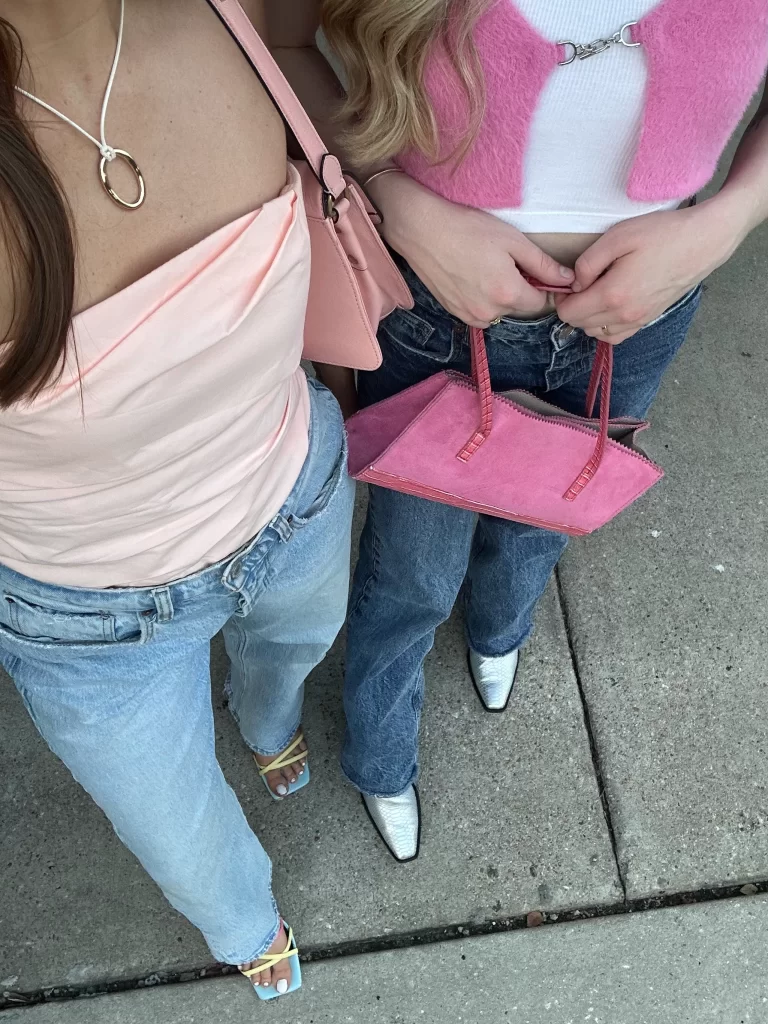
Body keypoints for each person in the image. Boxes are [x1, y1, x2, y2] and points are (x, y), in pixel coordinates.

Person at [301, 0, 768, 861]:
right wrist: (391, 198)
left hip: (641, 312)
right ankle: (377, 751)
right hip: (435, 310)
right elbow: (278, 39)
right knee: (411, 567)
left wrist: (731, 217)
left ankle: (501, 629)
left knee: (550, 509)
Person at [0, 0, 354, 1000]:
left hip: (293, 492)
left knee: (291, 656)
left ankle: (268, 717)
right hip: (90, 617)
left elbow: (320, 86)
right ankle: (247, 922)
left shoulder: (224, 11)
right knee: (182, 834)